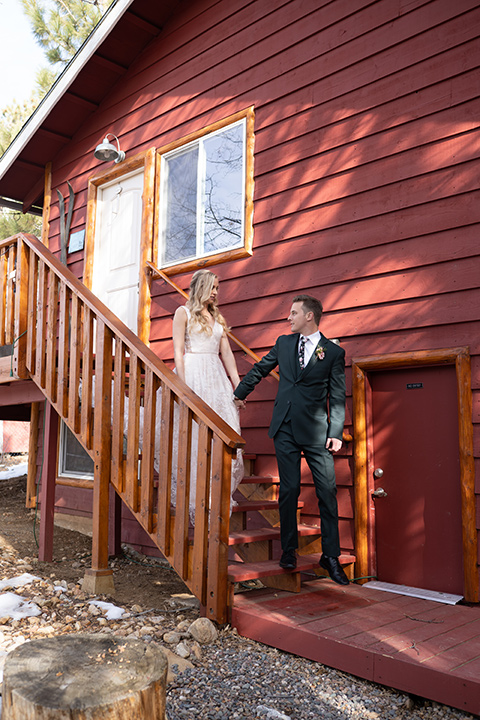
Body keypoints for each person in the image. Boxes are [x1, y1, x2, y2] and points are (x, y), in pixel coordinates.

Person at [233, 295, 349, 585]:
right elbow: (261, 368)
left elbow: (336, 395)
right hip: (284, 426)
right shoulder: (284, 343)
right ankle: (289, 550)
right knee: (289, 489)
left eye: (294, 313)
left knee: (327, 491)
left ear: (309, 316)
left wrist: (335, 432)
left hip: (316, 433)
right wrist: (240, 393)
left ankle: (330, 556)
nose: (289, 318)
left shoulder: (332, 353)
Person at [171, 269, 244, 521]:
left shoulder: (217, 317)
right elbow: (178, 350)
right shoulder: (184, 313)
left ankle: (216, 492)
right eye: (212, 287)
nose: (216, 292)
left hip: (216, 376)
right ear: (200, 287)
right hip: (194, 373)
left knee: (224, 428)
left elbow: (228, 354)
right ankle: (194, 495)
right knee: (195, 434)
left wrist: (238, 386)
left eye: (217, 288)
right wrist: (182, 385)